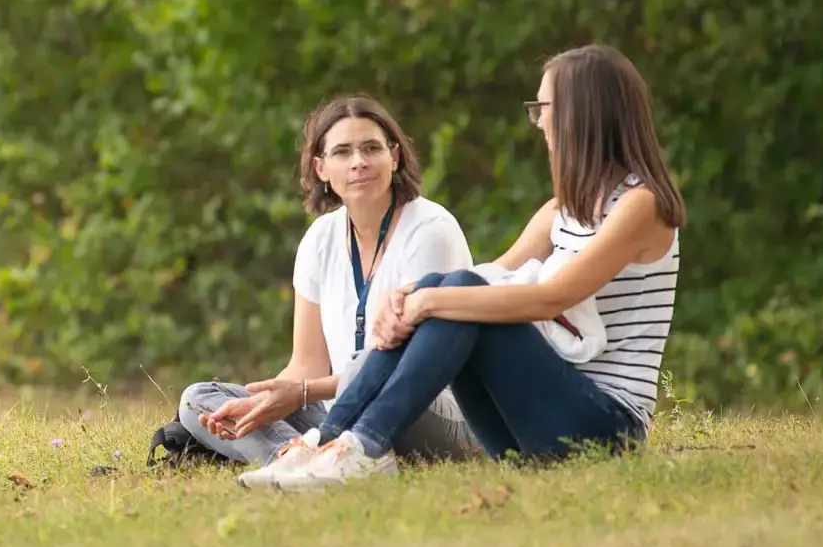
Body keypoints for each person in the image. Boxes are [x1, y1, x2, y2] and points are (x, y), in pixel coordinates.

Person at [243, 44, 683, 490]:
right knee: (452, 289)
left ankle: (362, 446)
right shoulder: (560, 211)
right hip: (529, 431)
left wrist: (429, 301)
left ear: (583, 113)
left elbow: (552, 297)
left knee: (456, 296)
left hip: (609, 430)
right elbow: (493, 273)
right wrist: (412, 293)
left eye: (544, 108)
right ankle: (330, 441)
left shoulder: (641, 206)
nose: (540, 122)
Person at [173, 95, 484, 472]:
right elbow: (306, 364)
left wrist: (300, 394)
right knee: (199, 399)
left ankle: (325, 458)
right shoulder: (320, 238)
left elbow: (407, 371)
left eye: (372, 148)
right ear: (321, 168)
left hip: (430, 407)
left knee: (366, 367)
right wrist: (264, 401)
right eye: (343, 152)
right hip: (340, 410)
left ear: (395, 157)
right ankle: (296, 457)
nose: (359, 162)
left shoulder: (431, 230)